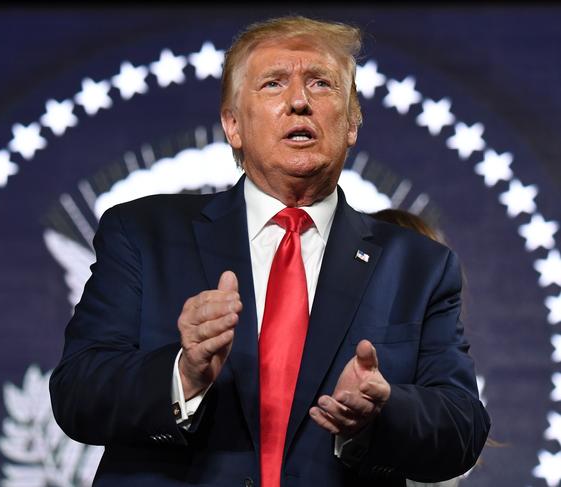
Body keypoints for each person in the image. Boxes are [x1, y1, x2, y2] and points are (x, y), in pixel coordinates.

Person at [49, 16, 490, 487]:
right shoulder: (142, 233)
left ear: (353, 123)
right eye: (273, 83)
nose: (299, 101)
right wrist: (184, 373)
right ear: (233, 125)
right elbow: (77, 393)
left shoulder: (419, 266)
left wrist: (382, 412)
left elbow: (463, 426)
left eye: (321, 84)